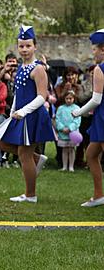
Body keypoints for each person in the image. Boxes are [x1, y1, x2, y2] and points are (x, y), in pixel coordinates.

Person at [0, 25, 55, 203]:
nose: (24, 49)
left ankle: (30, 195)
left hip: (32, 116)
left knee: (24, 154)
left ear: (35, 46)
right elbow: (19, 93)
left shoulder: (38, 69)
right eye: (21, 46)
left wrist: (23, 111)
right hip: (19, 114)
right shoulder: (21, 67)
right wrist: (13, 111)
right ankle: (37, 159)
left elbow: (41, 96)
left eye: (28, 45)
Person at [72, 28, 104, 207]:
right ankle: (99, 195)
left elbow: (96, 99)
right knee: (91, 155)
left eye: (94, 49)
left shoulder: (100, 69)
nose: (93, 53)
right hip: (100, 117)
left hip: (102, 117)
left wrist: (78, 112)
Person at [55, 90, 81, 172]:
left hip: (73, 133)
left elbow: (77, 120)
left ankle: (71, 166)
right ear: (64, 99)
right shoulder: (60, 108)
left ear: (74, 99)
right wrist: (62, 128)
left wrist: (70, 128)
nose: (69, 100)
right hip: (63, 133)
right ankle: (64, 166)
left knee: (71, 149)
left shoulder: (77, 108)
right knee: (65, 149)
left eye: (70, 98)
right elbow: (57, 119)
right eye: (67, 98)